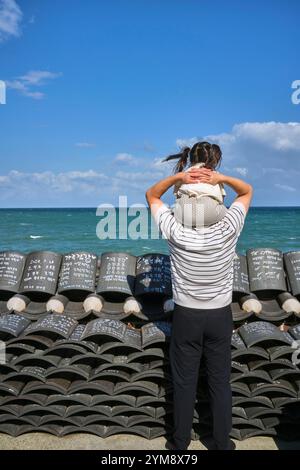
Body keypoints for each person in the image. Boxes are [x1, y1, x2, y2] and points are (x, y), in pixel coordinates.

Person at [145, 164, 253, 450]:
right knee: (220, 382)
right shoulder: (229, 228)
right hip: (219, 315)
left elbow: (152, 196)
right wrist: (222, 178)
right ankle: (221, 444)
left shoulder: (176, 232)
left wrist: (179, 177)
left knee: (183, 383)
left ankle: (180, 445)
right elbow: (247, 191)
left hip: (186, 315)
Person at [163, 142, 227, 228]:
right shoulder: (214, 174)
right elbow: (222, 199)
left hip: (185, 215)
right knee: (225, 211)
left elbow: (177, 195)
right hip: (208, 213)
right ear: (212, 158)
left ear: (190, 158)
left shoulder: (185, 174)